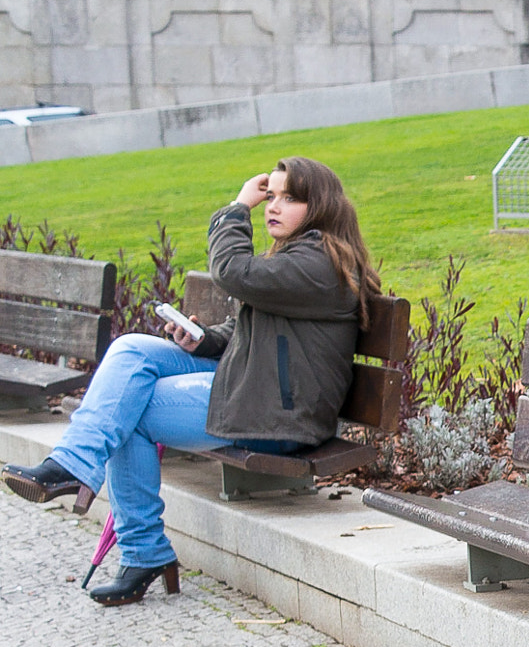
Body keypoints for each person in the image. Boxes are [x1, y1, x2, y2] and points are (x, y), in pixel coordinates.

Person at [3, 159, 377, 607]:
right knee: (131, 349)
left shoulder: (319, 264)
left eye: (289, 198)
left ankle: (139, 548)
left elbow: (232, 271)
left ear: (320, 206)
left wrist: (237, 208)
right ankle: (74, 467)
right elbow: (246, 333)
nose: (272, 206)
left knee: (131, 409)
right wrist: (200, 341)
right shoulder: (300, 257)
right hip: (250, 390)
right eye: (270, 196)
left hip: (278, 418)